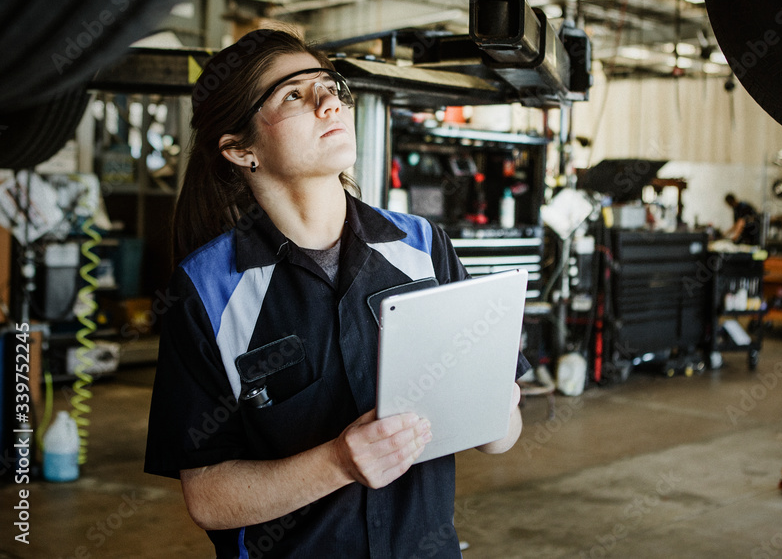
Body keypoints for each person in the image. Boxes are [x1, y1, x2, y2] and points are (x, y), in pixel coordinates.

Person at [144, 28, 528, 558]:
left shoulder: (421, 246)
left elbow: (500, 434)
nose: (330, 103)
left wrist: (494, 407)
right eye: (293, 95)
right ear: (240, 150)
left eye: (331, 85)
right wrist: (337, 463)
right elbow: (208, 496)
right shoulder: (208, 291)